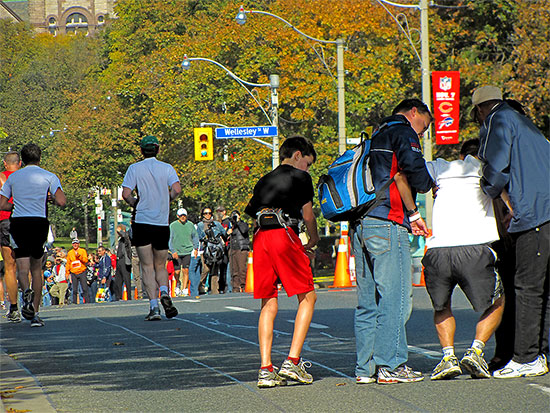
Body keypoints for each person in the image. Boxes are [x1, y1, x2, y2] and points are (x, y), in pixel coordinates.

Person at [353, 99, 434, 385]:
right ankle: (392, 365)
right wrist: (429, 185)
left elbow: (395, 175)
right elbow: (410, 172)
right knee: (397, 298)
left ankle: (365, 369)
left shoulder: (375, 134)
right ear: (414, 113)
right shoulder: (403, 132)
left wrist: (413, 212)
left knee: (367, 301)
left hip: (361, 223)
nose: (422, 134)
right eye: (424, 127)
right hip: (388, 222)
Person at [472, 85, 550, 378]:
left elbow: (495, 167)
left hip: (533, 214)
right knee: (544, 289)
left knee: (527, 287)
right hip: (548, 210)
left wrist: (486, 185)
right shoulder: (530, 127)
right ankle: (540, 354)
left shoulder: (497, 120)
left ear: (481, 109)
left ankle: (526, 357)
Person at [421, 139, 504, 380]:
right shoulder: (486, 170)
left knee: (442, 305)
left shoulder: (439, 167)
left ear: (460, 154)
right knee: (497, 302)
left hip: (438, 249)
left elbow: (411, 173)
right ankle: (476, 351)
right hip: (475, 247)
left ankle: (448, 358)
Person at [244, 135, 320, 387]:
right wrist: (313, 238)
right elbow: (307, 215)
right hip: (283, 233)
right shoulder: (301, 177)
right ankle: (293, 361)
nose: (307, 168)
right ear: (298, 155)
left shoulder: (265, 178)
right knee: (308, 295)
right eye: (308, 163)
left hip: (260, 237)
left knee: (268, 301)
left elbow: (253, 210)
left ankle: (266, 369)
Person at [0, 143, 66, 327]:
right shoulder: (49, 176)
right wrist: (50, 199)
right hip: (38, 222)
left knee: (21, 266)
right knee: (36, 268)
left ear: (22, 160)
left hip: (19, 223)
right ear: (39, 158)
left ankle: (25, 293)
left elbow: (2, 203)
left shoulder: (14, 178)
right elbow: (61, 200)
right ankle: (35, 313)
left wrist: (14, 206)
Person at [121, 135, 181, 320]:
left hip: (142, 222)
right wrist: (166, 199)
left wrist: (135, 203)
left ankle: (154, 307)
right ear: (157, 149)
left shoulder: (134, 168)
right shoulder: (167, 168)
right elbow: (177, 189)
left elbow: (126, 193)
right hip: (161, 222)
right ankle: (164, 291)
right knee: (160, 265)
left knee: (147, 266)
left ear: (141, 150)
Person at [0, 151, 21, 322]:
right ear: (19, 163)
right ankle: (32, 303)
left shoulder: (1, 177)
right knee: (30, 265)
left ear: (5, 164)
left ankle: (14, 307)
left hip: (5, 221)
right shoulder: (27, 177)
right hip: (28, 220)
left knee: (9, 266)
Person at [197, 207, 227, 295]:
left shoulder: (217, 224)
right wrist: (206, 239)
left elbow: (223, 233)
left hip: (216, 250)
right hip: (205, 250)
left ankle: (215, 290)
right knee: (206, 269)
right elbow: (198, 237)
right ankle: (200, 286)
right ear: (203, 215)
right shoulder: (200, 225)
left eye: (209, 213)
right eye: (205, 213)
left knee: (215, 270)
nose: (208, 215)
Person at [169, 208, 199, 297]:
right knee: (177, 271)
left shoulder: (190, 225)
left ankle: (184, 288)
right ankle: (178, 284)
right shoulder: (173, 226)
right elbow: (170, 239)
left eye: (184, 216)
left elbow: (195, 237)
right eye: (181, 216)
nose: (183, 217)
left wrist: (196, 248)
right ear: (178, 216)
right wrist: (173, 251)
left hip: (187, 251)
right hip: (177, 252)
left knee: (186, 270)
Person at [227, 210, 250, 292]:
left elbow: (244, 230)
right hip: (232, 249)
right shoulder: (231, 226)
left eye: (236, 216)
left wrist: (238, 222)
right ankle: (235, 288)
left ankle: (243, 286)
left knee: (242, 269)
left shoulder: (243, 224)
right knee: (234, 270)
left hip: (241, 249)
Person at [67, 239, 89, 304]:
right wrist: (67, 273)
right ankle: (74, 302)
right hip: (73, 272)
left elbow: (86, 260)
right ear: (72, 245)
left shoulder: (82, 251)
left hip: (82, 271)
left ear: (79, 244)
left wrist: (79, 256)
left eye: (76, 243)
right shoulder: (70, 253)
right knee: (74, 289)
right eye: (74, 244)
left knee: (84, 288)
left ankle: (87, 302)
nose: (75, 245)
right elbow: (68, 263)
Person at [114, 224, 133, 300]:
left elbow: (125, 235)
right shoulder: (119, 239)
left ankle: (129, 297)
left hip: (125, 260)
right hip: (118, 260)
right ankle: (118, 297)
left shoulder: (127, 237)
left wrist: (120, 231)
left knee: (127, 279)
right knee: (118, 280)